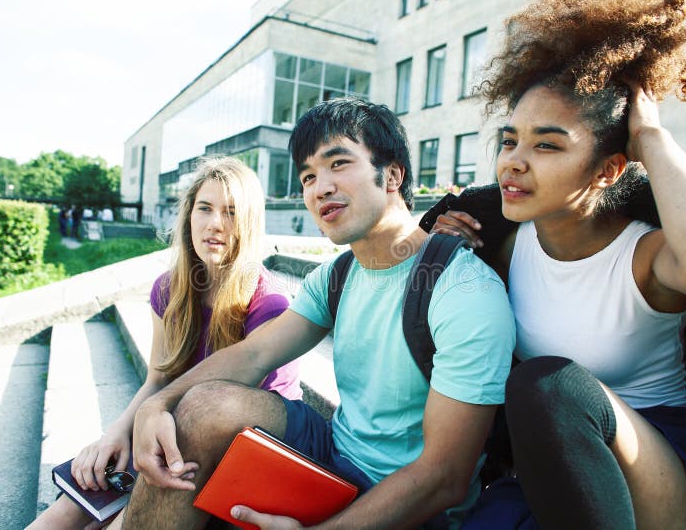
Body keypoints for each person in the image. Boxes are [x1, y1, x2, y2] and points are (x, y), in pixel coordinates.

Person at [114, 98, 515, 529]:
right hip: (333, 453)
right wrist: (157, 403)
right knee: (201, 405)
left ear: (393, 175)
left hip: (408, 501)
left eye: (338, 163)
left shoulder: (463, 290)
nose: (319, 187)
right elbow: (253, 355)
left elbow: (444, 479)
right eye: (308, 176)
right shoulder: (338, 275)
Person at [429, 0, 686, 528]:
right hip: (548, 467)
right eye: (510, 140)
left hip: (660, 462)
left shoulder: (644, 257)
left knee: (548, 386)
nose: (514, 161)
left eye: (547, 146)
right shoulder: (501, 248)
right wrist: (446, 248)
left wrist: (650, 137)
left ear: (608, 170)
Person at [28, 156, 302, 529]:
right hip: (171, 427)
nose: (215, 224)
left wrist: (146, 453)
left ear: (250, 224)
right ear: (189, 215)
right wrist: (117, 433)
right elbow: (157, 380)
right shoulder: (169, 289)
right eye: (205, 208)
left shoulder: (268, 303)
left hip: (237, 450)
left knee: (118, 521)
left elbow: (227, 425)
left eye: (232, 212)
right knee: (68, 508)